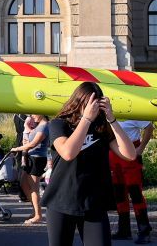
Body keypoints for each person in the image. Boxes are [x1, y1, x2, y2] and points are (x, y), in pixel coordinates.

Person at [41, 82, 137, 246]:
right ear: (78, 102)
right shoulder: (59, 124)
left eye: (96, 104)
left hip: (93, 202)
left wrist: (112, 119)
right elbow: (68, 152)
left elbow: (130, 154)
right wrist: (85, 119)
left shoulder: (101, 127)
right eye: (88, 104)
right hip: (62, 200)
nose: (92, 109)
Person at [110, 121, 154, 243]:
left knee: (135, 194)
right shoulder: (105, 111)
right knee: (119, 195)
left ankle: (144, 231)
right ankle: (124, 230)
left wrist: (141, 148)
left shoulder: (130, 109)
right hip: (114, 155)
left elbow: (149, 127)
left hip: (131, 155)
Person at [13, 114, 49, 225]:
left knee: (34, 188)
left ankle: (38, 215)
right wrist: (26, 128)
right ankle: (35, 210)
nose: (32, 116)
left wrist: (16, 149)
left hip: (37, 159)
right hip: (30, 158)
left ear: (41, 113)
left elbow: (33, 144)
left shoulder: (44, 126)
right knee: (23, 184)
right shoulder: (38, 126)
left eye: (34, 114)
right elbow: (27, 140)